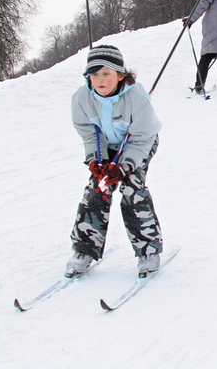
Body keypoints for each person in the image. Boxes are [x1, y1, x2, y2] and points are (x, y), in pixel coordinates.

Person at [67, 45, 163, 278]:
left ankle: (148, 251)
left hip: (140, 143)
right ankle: (84, 249)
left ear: (120, 75)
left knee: (132, 189)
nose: (100, 80)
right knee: (96, 189)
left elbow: (142, 137)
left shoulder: (136, 97)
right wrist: (95, 162)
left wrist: (125, 166)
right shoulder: (82, 98)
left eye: (106, 74)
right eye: (94, 74)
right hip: (106, 147)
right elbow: (89, 134)